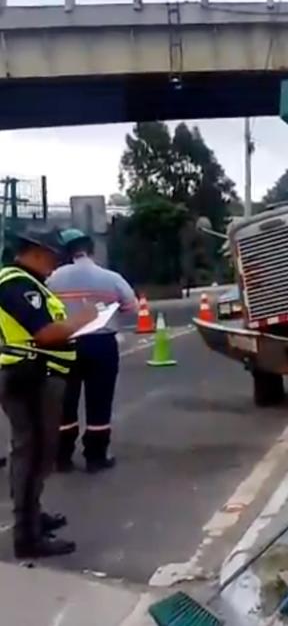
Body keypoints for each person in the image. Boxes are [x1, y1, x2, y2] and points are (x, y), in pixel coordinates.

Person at [0, 227, 96, 558]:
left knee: (35, 453)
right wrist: (82, 321)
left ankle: (33, 516)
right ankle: (27, 537)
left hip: (33, 375)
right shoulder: (16, 283)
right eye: (53, 257)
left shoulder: (26, 282)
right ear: (38, 252)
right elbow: (45, 334)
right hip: (31, 377)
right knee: (32, 453)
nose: (55, 264)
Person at [47, 229, 137, 474]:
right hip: (102, 345)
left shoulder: (52, 279)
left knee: (65, 403)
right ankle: (96, 456)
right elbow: (131, 306)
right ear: (91, 249)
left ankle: (62, 457)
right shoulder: (110, 277)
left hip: (65, 344)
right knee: (100, 401)